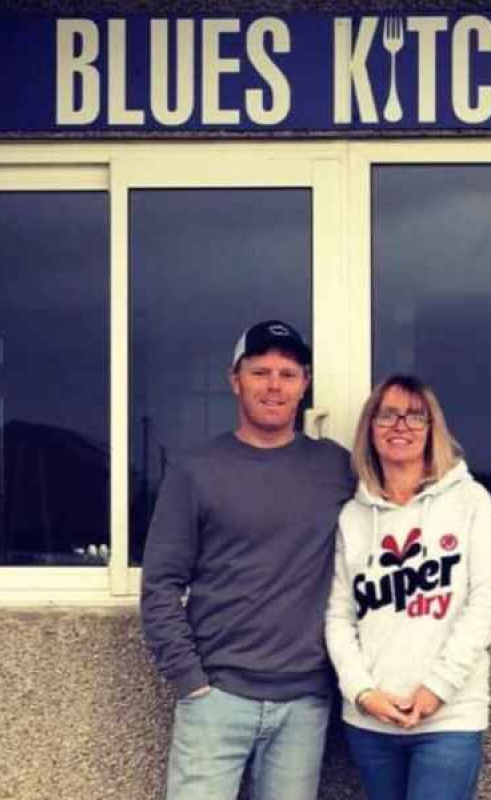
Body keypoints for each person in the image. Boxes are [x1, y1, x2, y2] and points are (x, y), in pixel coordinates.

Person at [141, 320, 354, 800]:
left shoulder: (336, 468)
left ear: (304, 385)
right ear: (234, 380)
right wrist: (191, 681)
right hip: (217, 698)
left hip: (304, 702)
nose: (274, 385)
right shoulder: (196, 470)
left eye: (287, 373)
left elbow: (398, 509)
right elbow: (160, 584)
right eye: (260, 372)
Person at [325, 374, 491, 800]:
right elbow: (338, 615)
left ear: (432, 429)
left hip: (449, 720)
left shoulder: (470, 500)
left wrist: (436, 691)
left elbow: (485, 600)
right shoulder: (353, 516)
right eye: (387, 415)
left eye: (414, 416)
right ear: (370, 428)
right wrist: (362, 693)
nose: (400, 426)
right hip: (371, 722)